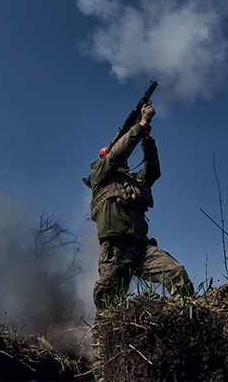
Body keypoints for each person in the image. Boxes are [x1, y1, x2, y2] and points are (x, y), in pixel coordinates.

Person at [88, 103, 193, 310]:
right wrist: (141, 124)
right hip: (115, 249)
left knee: (175, 272)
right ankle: (104, 340)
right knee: (109, 303)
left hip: (141, 248)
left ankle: (187, 318)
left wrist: (146, 139)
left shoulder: (134, 181)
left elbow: (153, 172)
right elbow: (115, 155)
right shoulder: (99, 175)